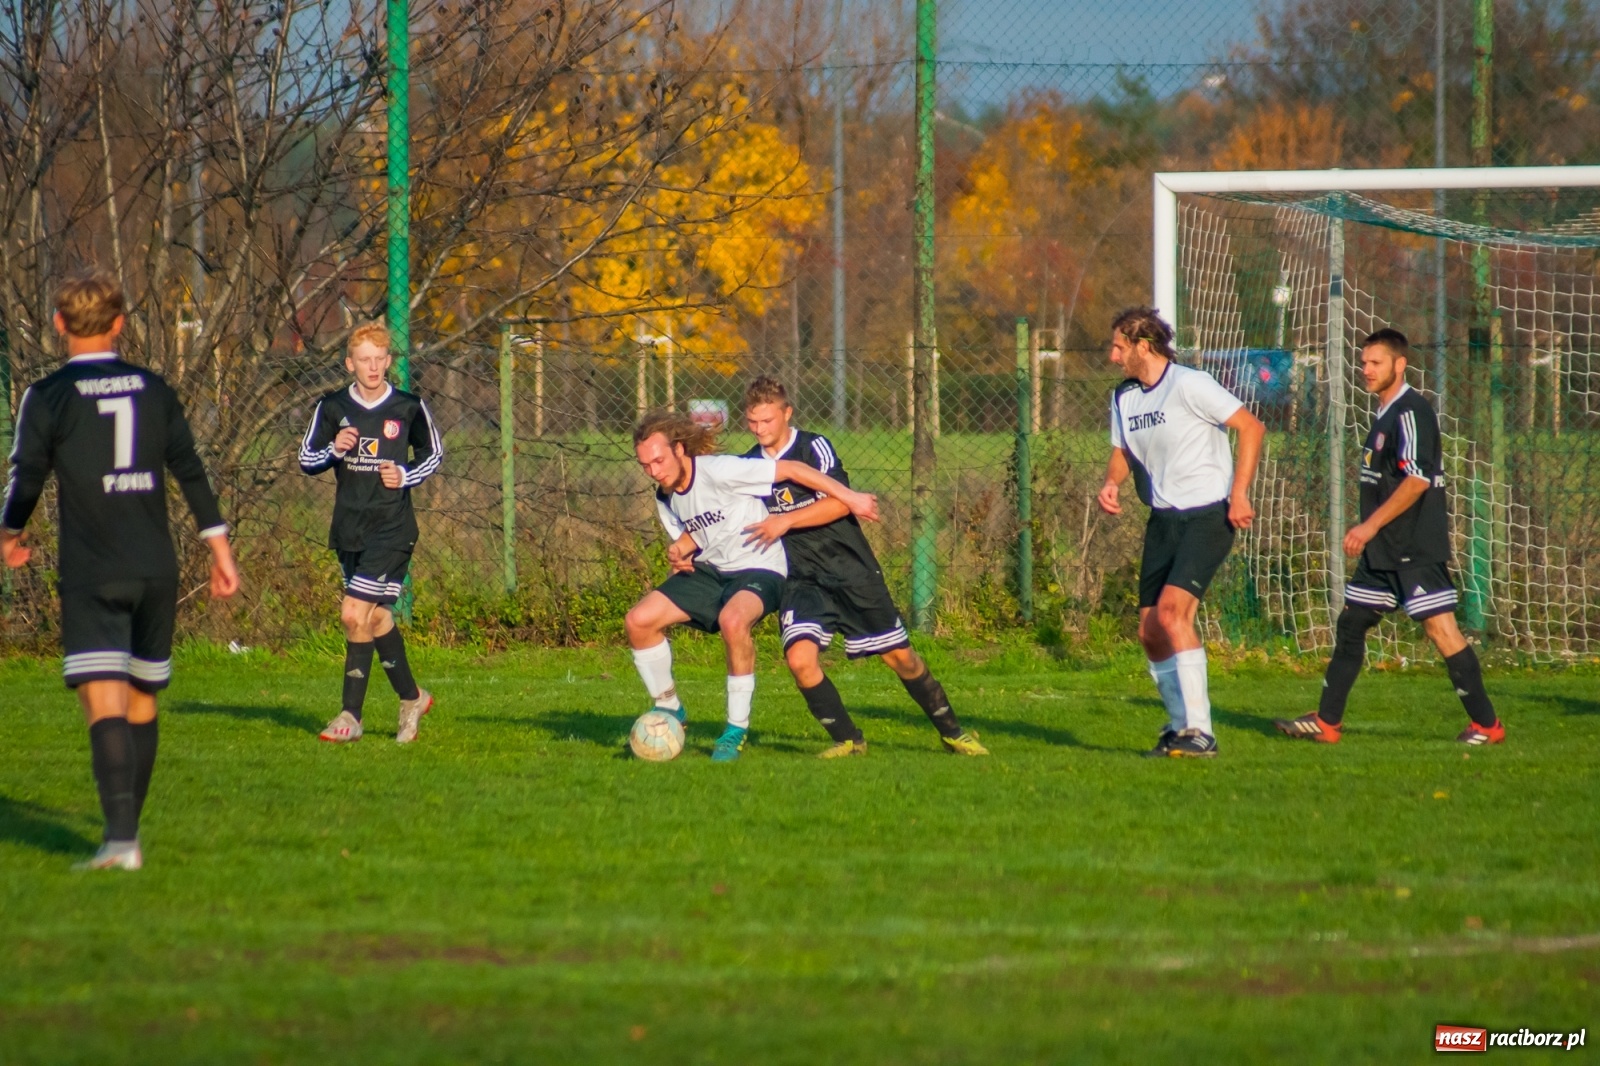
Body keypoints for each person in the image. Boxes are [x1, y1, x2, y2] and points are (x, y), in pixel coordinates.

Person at [1, 272, 241, 870]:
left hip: (93, 567)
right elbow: (189, 470)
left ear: (59, 325)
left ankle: (120, 841)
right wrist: (220, 552)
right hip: (155, 566)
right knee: (142, 702)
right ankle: (126, 835)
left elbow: (26, 476)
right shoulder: (155, 390)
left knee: (104, 700)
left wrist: (9, 534)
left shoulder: (48, 395)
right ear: (119, 324)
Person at [1275, 328, 1504, 745]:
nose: (1366, 370)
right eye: (1363, 363)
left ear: (1400, 365)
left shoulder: (1411, 412)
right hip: (1383, 552)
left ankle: (1487, 725)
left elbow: (1418, 480)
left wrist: (1369, 525)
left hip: (1412, 547)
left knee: (1442, 632)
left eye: (1375, 363)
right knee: (1352, 623)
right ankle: (1327, 723)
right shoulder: (1384, 413)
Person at [738, 376, 986, 757]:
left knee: (899, 657)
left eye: (767, 421)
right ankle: (848, 740)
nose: (759, 429)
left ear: (787, 413)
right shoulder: (748, 466)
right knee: (799, 660)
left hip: (850, 569)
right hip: (801, 579)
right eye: (753, 422)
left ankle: (952, 732)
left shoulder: (813, 447)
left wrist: (785, 520)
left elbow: (843, 503)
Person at [626, 408, 879, 762]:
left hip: (760, 568)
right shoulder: (665, 497)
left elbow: (792, 469)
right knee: (638, 621)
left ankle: (735, 729)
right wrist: (681, 550)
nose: (654, 471)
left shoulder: (720, 470)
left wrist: (849, 498)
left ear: (680, 449)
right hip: (713, 572)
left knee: (733, 621)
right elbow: (697, 536)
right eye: (646, 465)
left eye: (658, 460)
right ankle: (669, 709)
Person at [1096, 306, 1265, 758]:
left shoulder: (1190, 384)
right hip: (1164, 522)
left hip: (1209, 515)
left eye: (1118, 346)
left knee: (1173, 615)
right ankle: (1177, 729)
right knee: (1151, 632)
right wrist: (1111, 482)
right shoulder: (1125, 398)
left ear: (1142, 346)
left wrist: (1241, 493)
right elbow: (1121, 452)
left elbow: (1251, 427)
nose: (1113, 356)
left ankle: (1201, 732)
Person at [298, 321, 441, 744]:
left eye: (380, 359)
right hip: (349, 529)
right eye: (365, 359)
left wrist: (405, 473)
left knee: (351, 614)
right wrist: (335, 449)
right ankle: (412, 698)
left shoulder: (408, 406)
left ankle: (349, 715)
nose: (374, 366)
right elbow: (307, 459)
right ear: (350, 364)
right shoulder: (332, 406)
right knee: (375, 617)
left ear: (389, 362)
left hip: (392, 528)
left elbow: (434, 455)